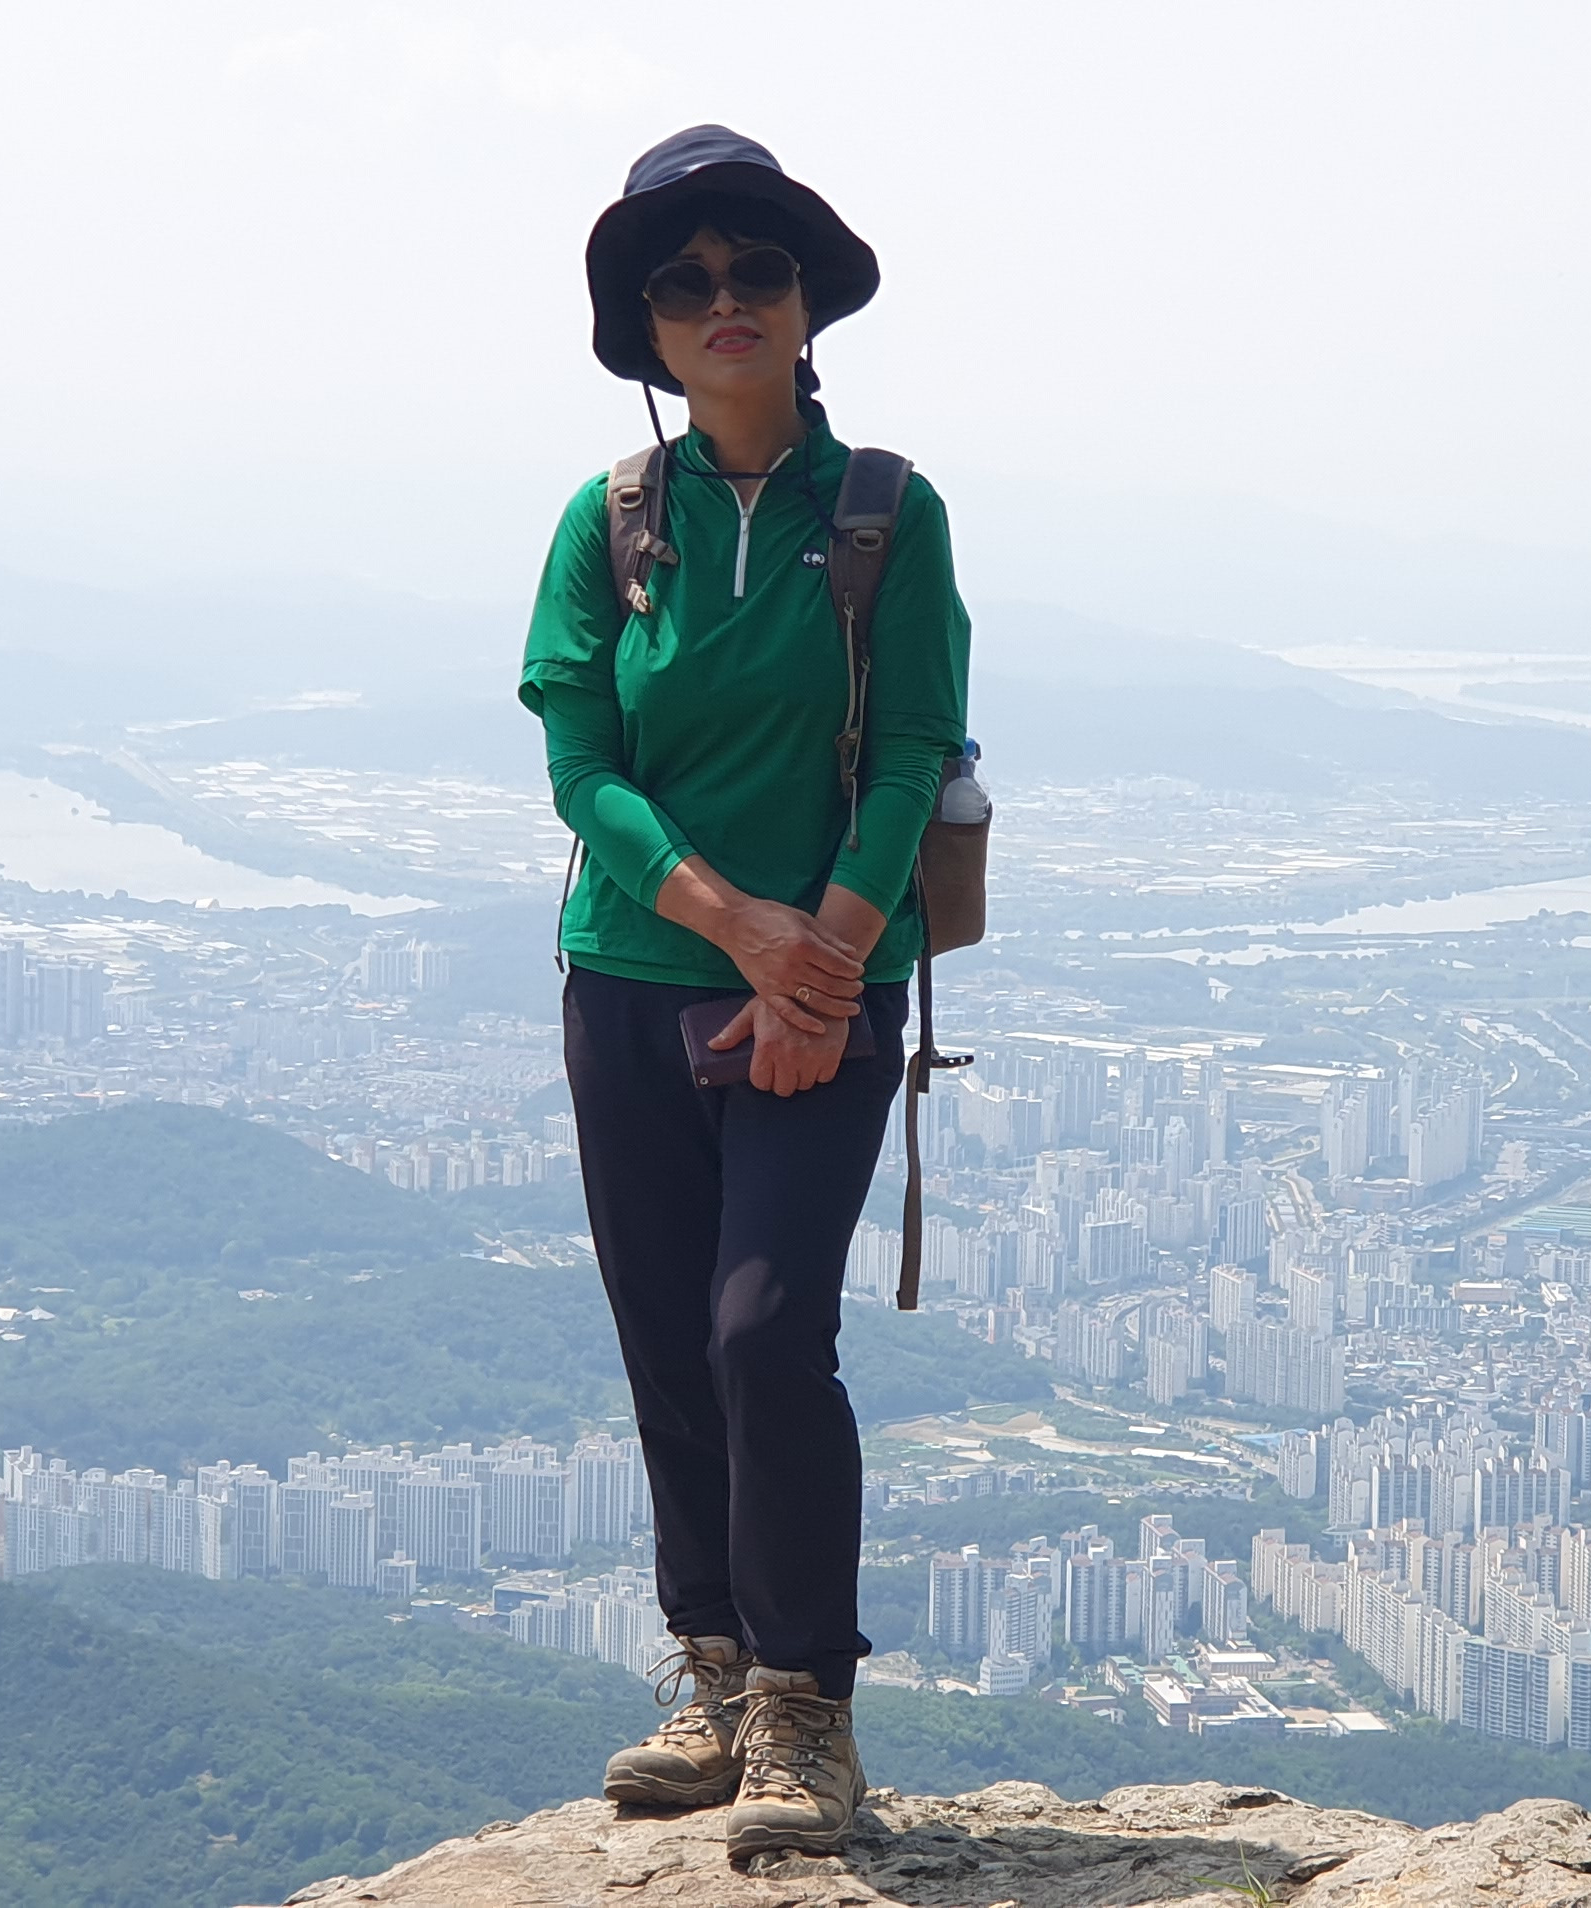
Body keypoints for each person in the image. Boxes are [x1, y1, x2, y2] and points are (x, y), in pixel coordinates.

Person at [518, 125, 968, 1857]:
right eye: (685, 280)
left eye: (755, 270)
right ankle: (711, 1676)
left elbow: (912, 747)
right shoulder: (612, 520)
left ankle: (805, 1708)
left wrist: (818, 960)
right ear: (647, 327)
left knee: (765, 1330)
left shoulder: (886, 516)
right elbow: (583, 760)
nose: (724, 299)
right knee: (665, 1336)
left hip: (827, 997)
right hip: (636, 982)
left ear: (805, 305)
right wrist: (742, 933)